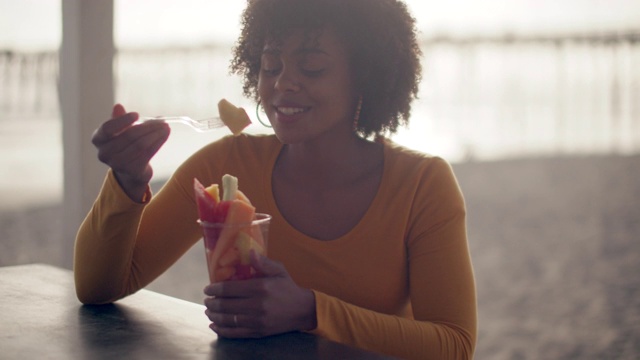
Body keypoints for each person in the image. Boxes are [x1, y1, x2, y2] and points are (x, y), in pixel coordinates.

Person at [74, 0, 477, 358]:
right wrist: (126, 181)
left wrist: (309, 310)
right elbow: (98, 287)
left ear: (364, 76)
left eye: (312, 67)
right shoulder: (225, 168)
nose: (282, 83)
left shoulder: (423, 185)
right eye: (271, 66)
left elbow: (454, 345)